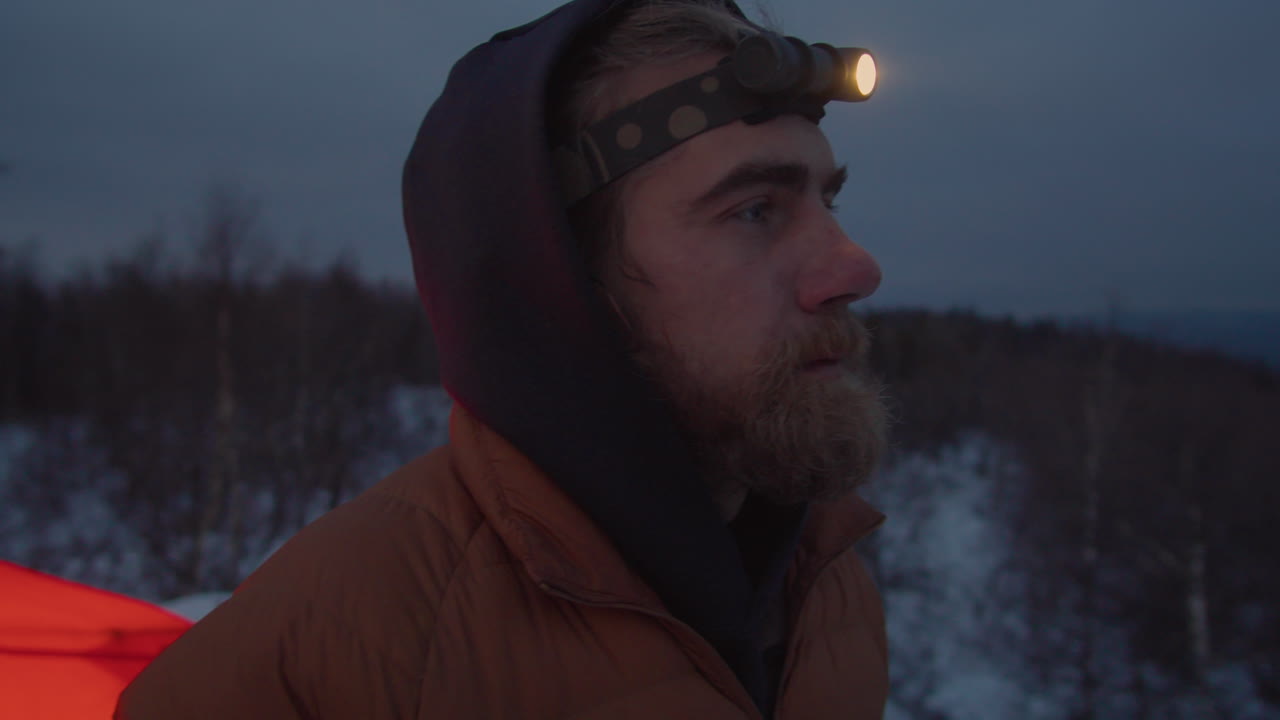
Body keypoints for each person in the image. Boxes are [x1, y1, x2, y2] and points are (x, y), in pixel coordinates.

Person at [117, 0, 890, 717]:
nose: (855, 269)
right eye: (754, 210)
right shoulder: (346, 651)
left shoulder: (829, 585)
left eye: (829, 201)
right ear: (561, 281)